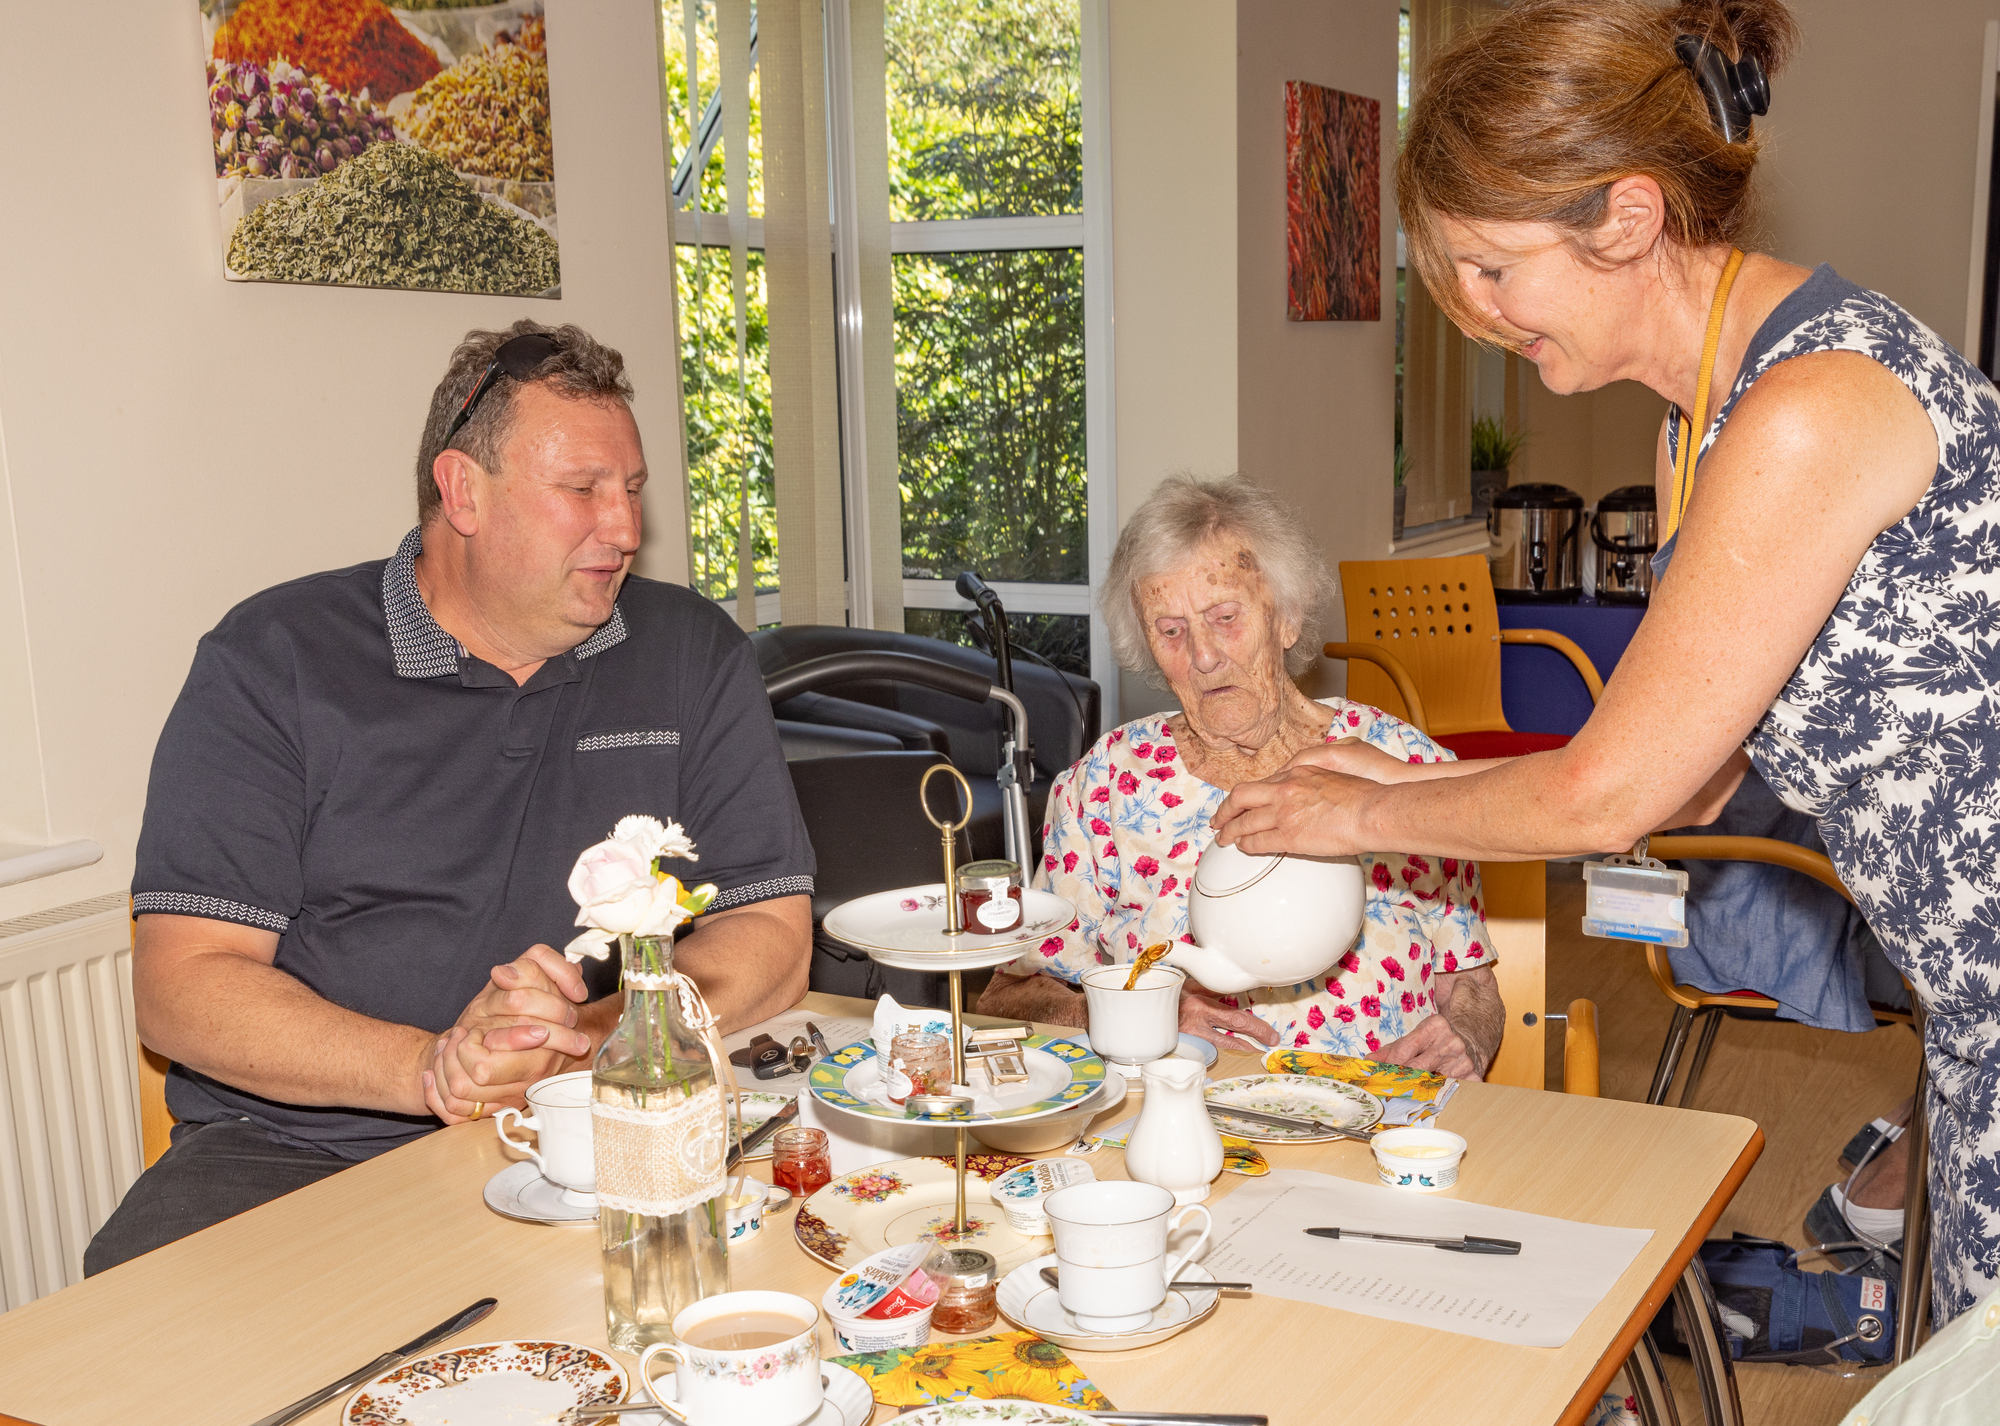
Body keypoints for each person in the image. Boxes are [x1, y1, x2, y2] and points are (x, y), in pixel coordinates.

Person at [1211, 0, 2000, 1325]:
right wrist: (1381, 777)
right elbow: (1687, 786)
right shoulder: (1702, 427)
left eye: (1491, 268)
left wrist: (1360, 813)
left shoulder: (1811, 409)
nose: (1470, 315)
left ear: (1625, 221)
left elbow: (1608, 796)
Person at [87, 321, 813, 1273]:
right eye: (582, 490)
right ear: (462, 490)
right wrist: (433, 1069)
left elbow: (774, 933)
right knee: (128, 1362)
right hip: (305, 1154)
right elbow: (179, 988)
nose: (627, 528)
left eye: (632, 490)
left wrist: (591, 1041)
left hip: (613, 1123)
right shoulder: (275, 661)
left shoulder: (687, 651)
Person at [976, 474, 1502, 1073]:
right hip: (1180, 1127)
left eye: (1225, 616)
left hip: (1380, 1123)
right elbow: (1010, 997)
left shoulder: (1402, 769)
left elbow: (1471, 986)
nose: (1202, 655)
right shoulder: (1105, 788)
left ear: (1288, 617)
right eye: (1170, 630)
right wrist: (1135, 1011)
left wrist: (1467, 1040)